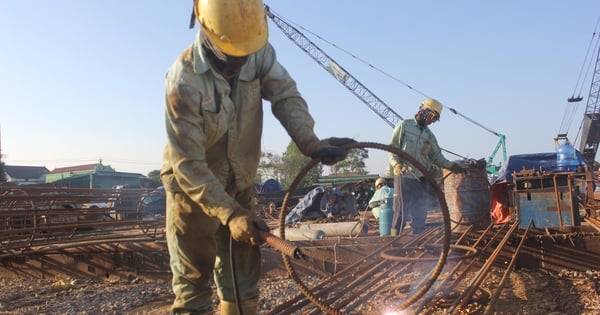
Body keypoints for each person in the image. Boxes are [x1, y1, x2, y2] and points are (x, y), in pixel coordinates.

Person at [160, 1, 355, 314]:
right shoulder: (184, 81)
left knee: (243, 279)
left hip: (238, 183)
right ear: (206, 29)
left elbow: (285, 94)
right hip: (192, 192)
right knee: (194, 283)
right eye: (231, 54)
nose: (239, 62)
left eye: (244, 54)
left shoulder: (257, 49)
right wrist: (230, 214)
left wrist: (310, 142)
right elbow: (188, 164)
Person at [388, 98, 463, 235]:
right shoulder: (404, 126)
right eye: (432, 117)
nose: (432, 121)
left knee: (420, 212)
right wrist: (396, 164)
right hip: (404, 175)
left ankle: (416, 240)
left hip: (421, 177)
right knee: (400, 211)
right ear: (423, 111)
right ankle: (393, 241)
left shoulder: (429, 136)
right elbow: (393, 148)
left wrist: (452, 166)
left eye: (435, 119)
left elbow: (437, 157)